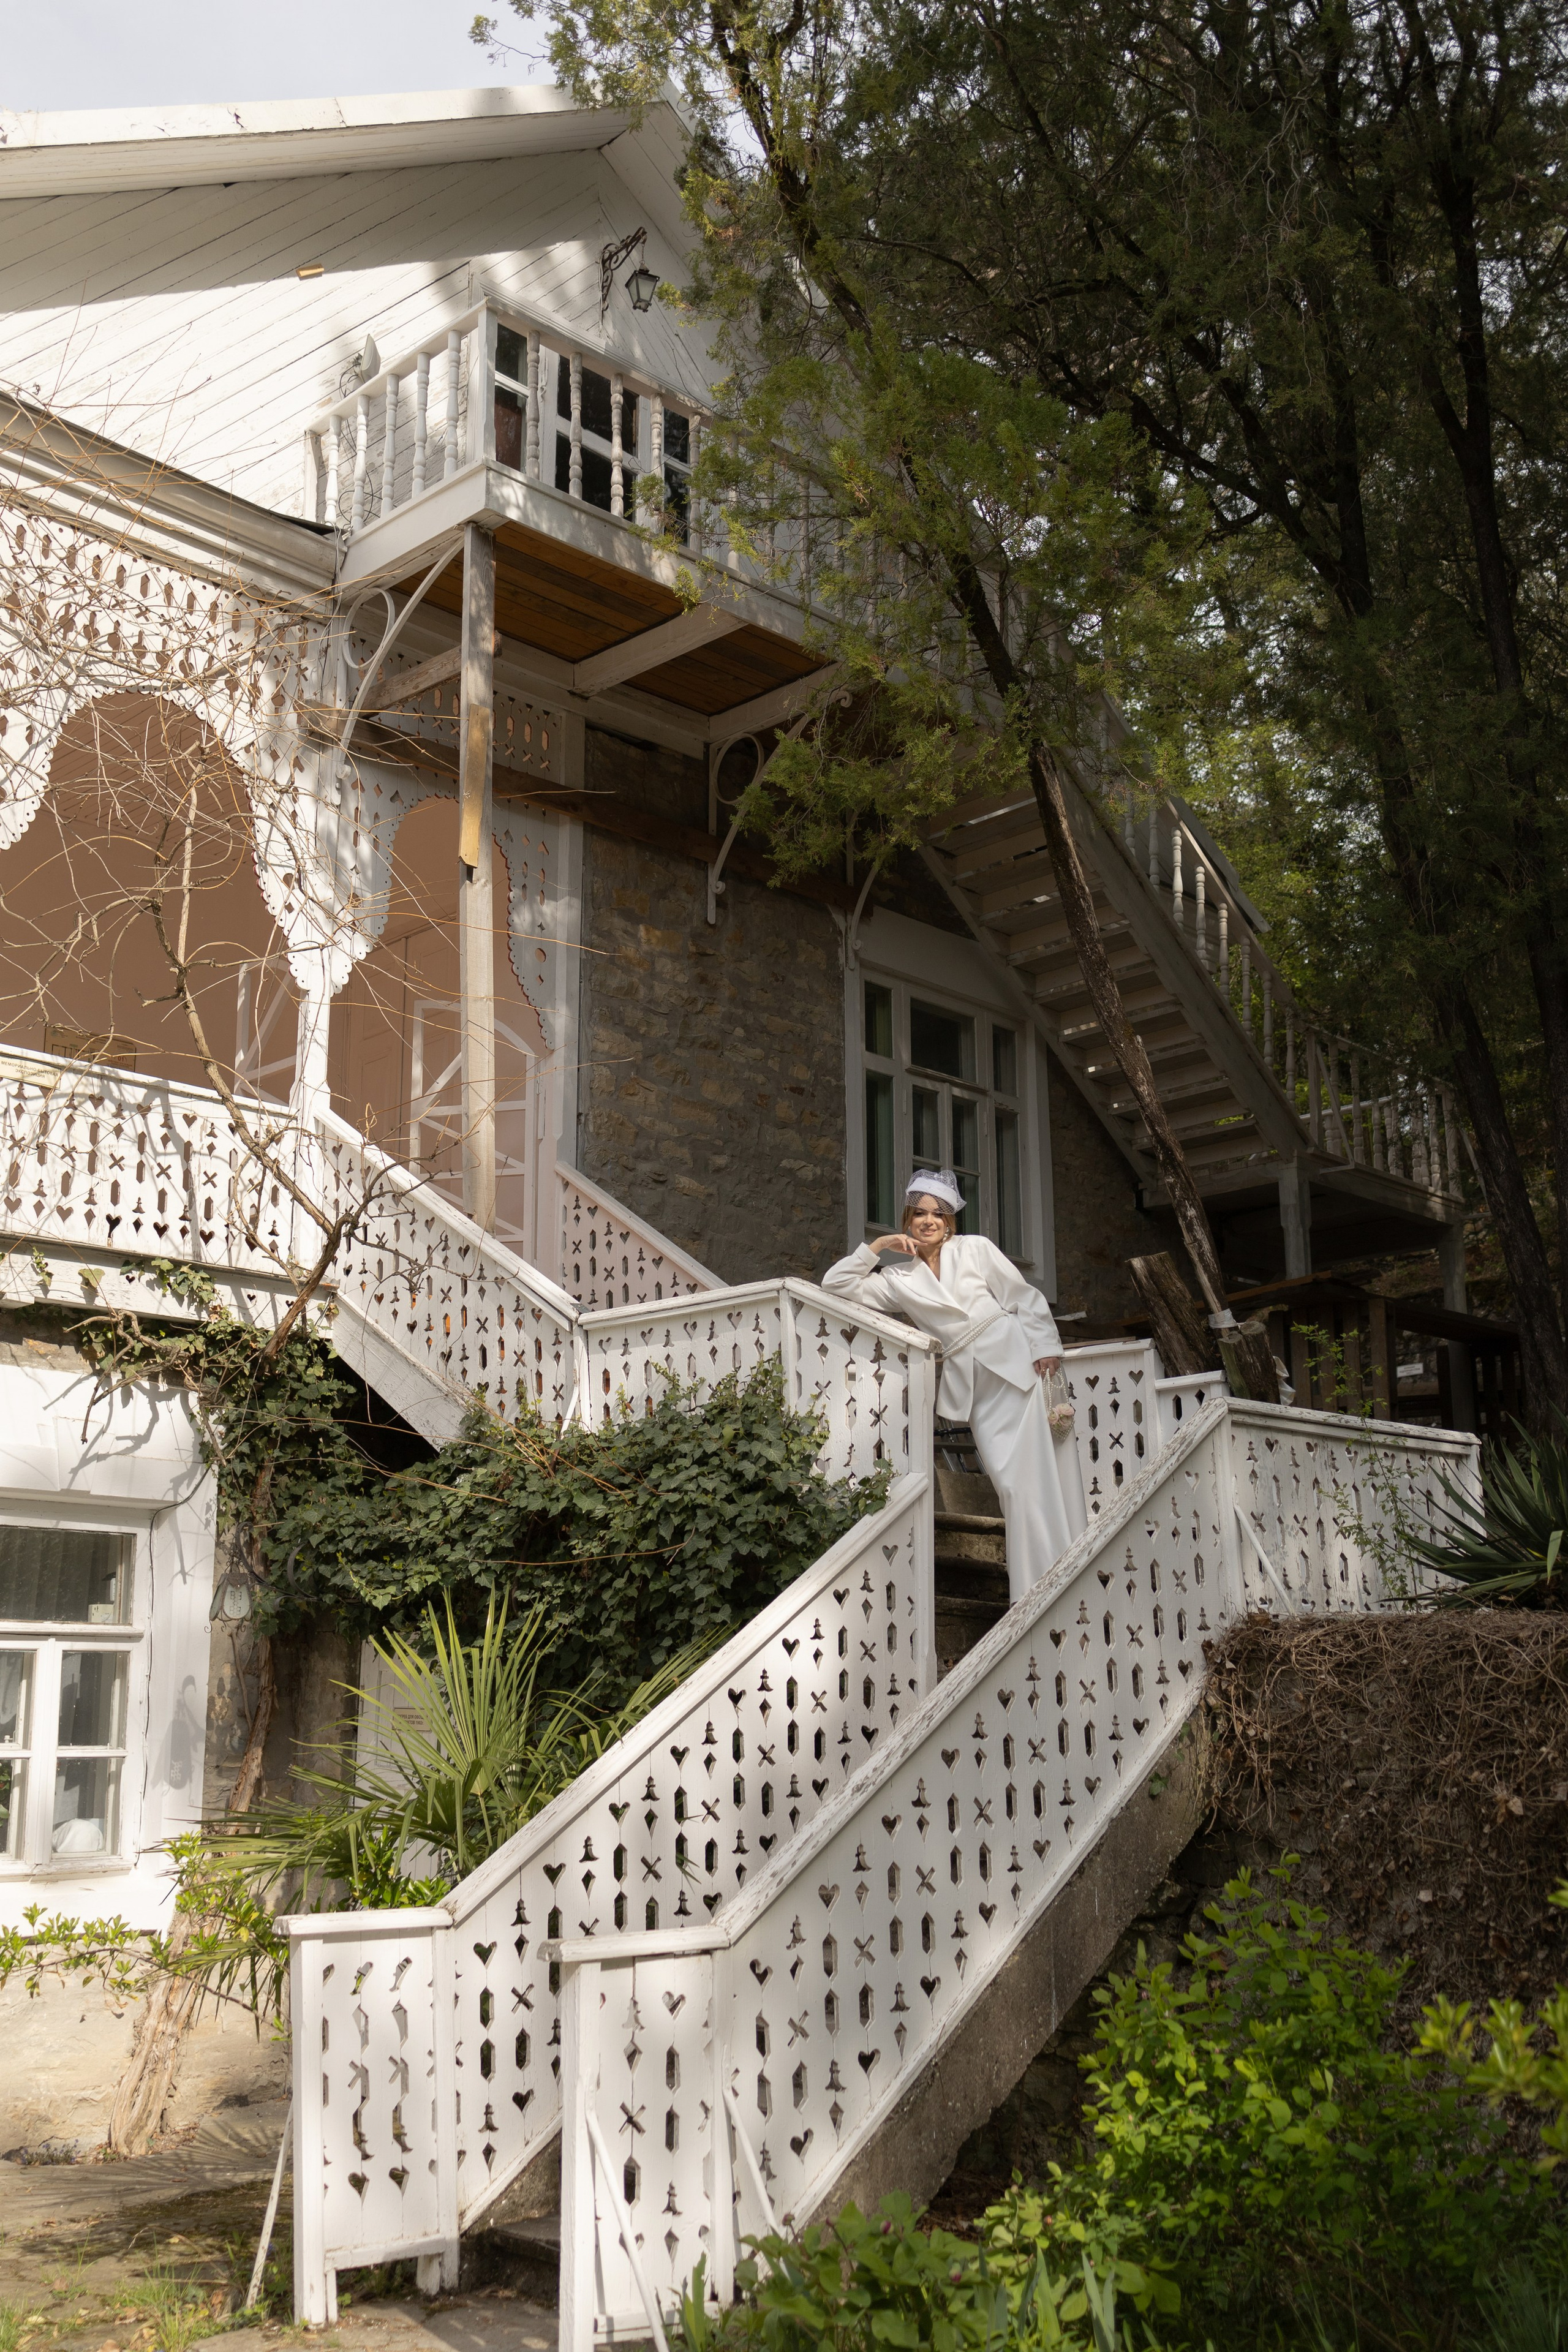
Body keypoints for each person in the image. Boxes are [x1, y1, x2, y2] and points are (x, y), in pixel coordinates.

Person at [823, 1170, 1087, 1605]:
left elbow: (1022, 1296)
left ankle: (1061, 1575)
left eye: (938, 1214)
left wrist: (1044, 1345)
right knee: (1010, 1485)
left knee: (1041, 1474)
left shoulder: (976, 1249)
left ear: (949, 1221)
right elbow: (836, 1285)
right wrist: (877, 1247)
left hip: (1017, 1364)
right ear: (908, 1219)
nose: (929, 1221)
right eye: (920, 1214)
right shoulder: (898, 1279)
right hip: (974, 1386)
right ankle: (1035, 1590)